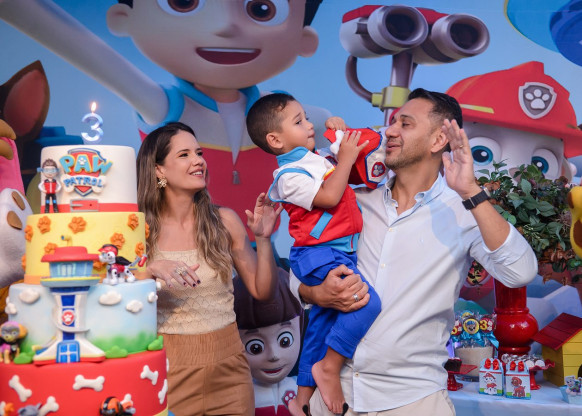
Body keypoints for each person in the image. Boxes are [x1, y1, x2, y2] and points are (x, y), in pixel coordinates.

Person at [294, 88, 538, 415]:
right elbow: (301, 263)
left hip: (413, 400)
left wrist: (471, 191)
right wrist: (313, 292)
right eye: (393, 121)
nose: (390, 131)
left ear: (438, 140)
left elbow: (520, 271)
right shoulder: (353, 201)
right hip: (333, 396)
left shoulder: (463, 211)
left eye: (405, 124)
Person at [0, 0, 329, 238]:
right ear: (124, 18)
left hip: (259, 248)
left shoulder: (292, 115)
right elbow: (86, 50)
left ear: (305, 39)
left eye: (262, 9)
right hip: (188, 248)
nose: (225, 26)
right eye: (184, 3)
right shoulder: (165, 107)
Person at [246, 93, 382, 415]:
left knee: (320, 325)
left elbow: (353, 169)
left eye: (306, 118)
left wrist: (341, 135)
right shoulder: (289, 176)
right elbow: (330, 196)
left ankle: (302, 398)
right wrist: (344, 159)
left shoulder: (315, 158)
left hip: (335, 253)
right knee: (367, 303)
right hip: (317, 254)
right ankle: (329, 368)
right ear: (275, 140)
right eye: (299, 121)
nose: (309, 126)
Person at [136, 121, 282, 415]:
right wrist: (149, 269)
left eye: (199, 153)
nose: (198, 161)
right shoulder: (137, 230)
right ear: (159, 170)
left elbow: (262, 291)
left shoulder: (224, 221)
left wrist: (263, 239)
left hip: (231, 371)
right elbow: (115, 295)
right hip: (168, 370)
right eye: (184, 155)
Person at [234, 268, 304, 416]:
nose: (274, 355)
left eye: (285, 341)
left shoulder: (302, 388)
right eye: (255, 348)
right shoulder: (237, 395)